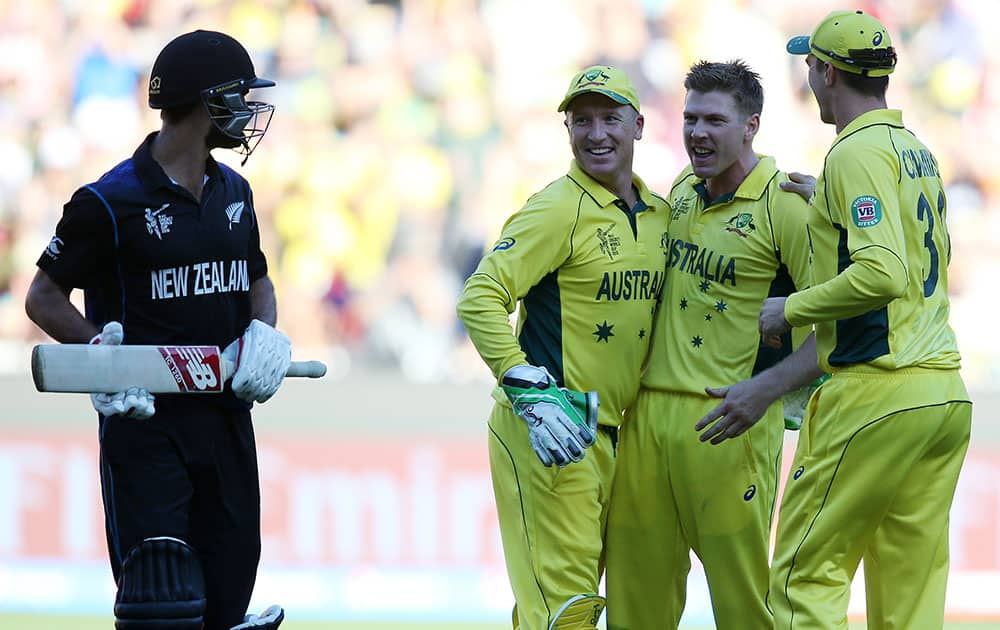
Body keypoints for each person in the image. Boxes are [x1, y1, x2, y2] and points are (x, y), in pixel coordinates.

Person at [25, 30, 290, 630]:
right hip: (145, 424)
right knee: (160, 601)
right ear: (206, 102)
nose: (248, 113)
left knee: (228, 600)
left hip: (225, 420)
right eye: (238, 98)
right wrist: (99, 351)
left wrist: (264, 334)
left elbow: (258, 283)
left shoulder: (236, 191)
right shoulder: (107, 200)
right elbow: (42, 297)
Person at [758, 10, 973, 628]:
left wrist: (789, 308)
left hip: (876, 393)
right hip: (942, 398)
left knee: (805, 576)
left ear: (826, 72)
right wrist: (823, 195)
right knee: (910, 590)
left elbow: (882, 273)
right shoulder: (914, 150)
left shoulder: (855, 153)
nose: (808, 76)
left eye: (809, 65)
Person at [604, 60, 815, 630]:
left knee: (743, 608)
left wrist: (765, 392)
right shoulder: (682, 191)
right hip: (648, 420)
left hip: (730, 420)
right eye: (691, 118)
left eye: (715, 121)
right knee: (633, 606)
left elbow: (845, 329)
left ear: (751, 126)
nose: (698, 133)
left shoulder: (787, 206)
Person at [456, 65, 669, 630]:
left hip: (617, 436)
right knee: (568, 613)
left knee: (562, 608)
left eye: (609, 119)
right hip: (551, 428)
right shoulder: (556, 208)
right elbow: (480, 297)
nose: (596, 134)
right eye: (581, 121)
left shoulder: (661, 215)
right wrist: (525, 385)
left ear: (639, 125)